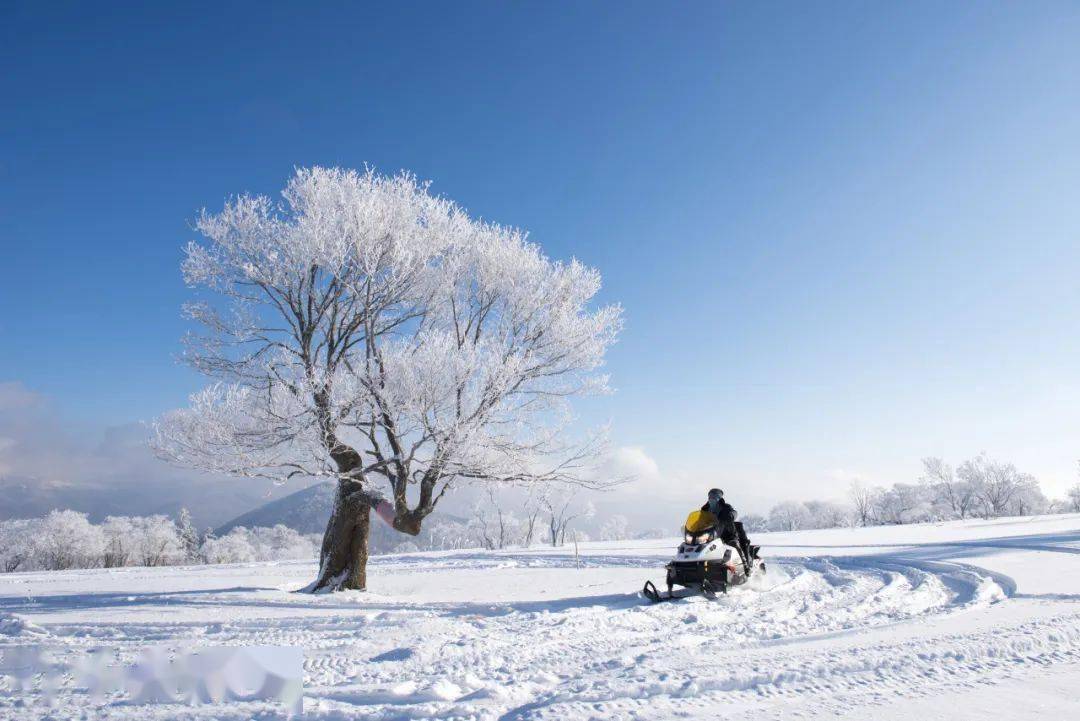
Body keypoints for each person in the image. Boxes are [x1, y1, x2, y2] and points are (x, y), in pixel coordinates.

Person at [701, 488, 754, 570]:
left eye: (715, 497)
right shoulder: (705, 509)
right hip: (711, 536)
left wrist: (731, 515)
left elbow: (733, 512)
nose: (712, 499)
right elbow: (699, 519)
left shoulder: (726, 507)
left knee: (734, 544)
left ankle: (746, 566)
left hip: (727, 534)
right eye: (710, 497)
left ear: (719, 498)